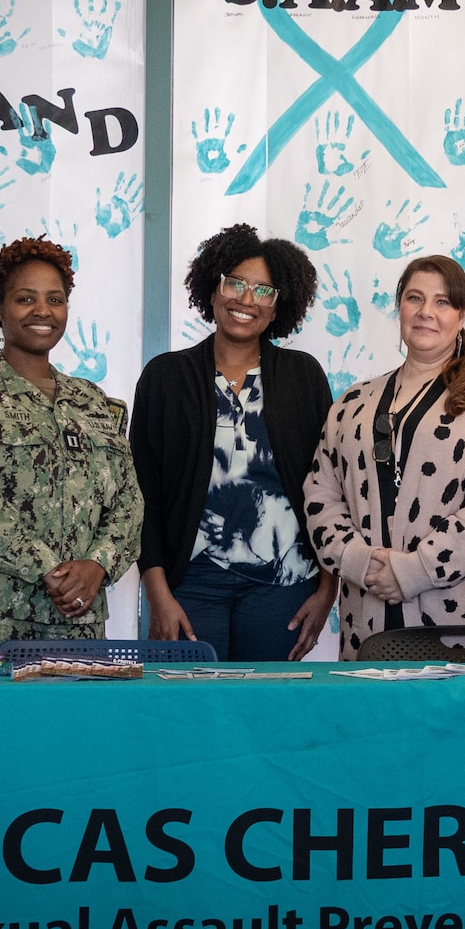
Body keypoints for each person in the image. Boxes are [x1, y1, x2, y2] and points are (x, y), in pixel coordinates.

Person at [0, 237, 143, 662]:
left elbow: (128, 503)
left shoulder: (94, 401)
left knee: (65, 731)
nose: (43, 311)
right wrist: (47, 570)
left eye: (55, 299)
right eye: (25, 298)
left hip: (77, 622)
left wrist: (98, 566)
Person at [304, 254, 465, 658]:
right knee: (374, 723)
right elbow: (319, 497)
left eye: (442, 302)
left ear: (462, 314)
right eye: (415, 298)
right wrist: (361, 562)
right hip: (368, 626)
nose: (426, 312)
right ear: (400, 309)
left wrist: (415, 571)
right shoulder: (352, 403)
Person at [131, 224, 337, 661]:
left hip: (284, 586)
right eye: (236, 283)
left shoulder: (304, 376)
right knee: (190, 718)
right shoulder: (165, 377)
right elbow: (141, 493)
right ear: (213, 287)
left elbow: (331, 488)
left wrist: (327, 589)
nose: (246, 300)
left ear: (279, 304)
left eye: (263, 290)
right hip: (191, 585)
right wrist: (157, 593)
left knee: (265, 720)